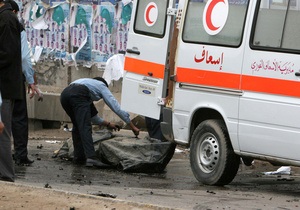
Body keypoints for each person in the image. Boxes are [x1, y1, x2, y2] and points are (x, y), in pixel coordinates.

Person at [60, 77, 140, 167]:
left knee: (78, 127)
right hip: (79, 94)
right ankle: (91, 158)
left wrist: (109, 124)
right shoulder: (101, 85)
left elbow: (94, 118)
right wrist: (133, 127)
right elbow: (115, 106)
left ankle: (79, 158)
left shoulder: (86, 86)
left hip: (64, 95)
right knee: (85, 127)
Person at [5, 0, 43, 166]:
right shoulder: (16, 25)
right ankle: (20, 154)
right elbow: (25, 58)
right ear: (14, 12)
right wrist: (30, 80)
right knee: (18, 117)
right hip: (13, 77)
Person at [0, 0, 23, 182]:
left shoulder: (6, 19)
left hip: (5, 86)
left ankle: (6, 174)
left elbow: (7, 53)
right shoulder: (6, 17)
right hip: (5, 85)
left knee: (3, 130)